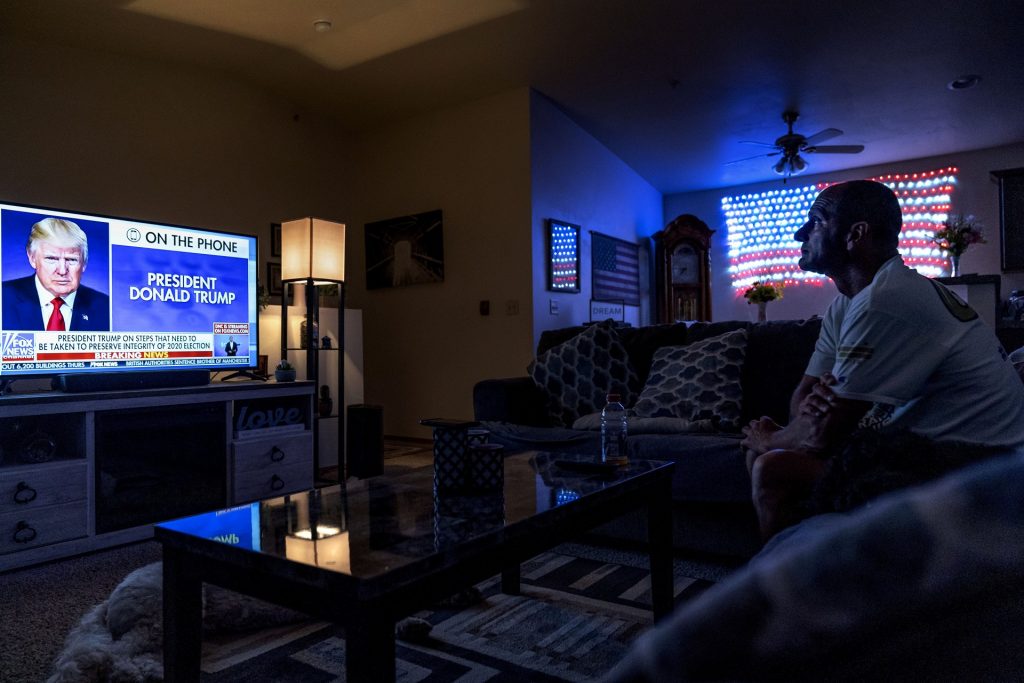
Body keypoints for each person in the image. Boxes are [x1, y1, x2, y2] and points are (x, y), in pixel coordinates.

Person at [740, 180, 1024, 541]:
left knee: (772, 466)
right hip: (922, 448)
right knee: (764, 458)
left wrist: (772, 438)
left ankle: (795, 574)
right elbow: (804, 397)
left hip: (981, 460)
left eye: (816, 222)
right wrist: (804, 421)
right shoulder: (846, 305)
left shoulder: (888, 299)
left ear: (855, 235)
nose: (801, 234)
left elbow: (822, 436)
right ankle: (818, 556)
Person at [2, 217, 110, 331]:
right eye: (51, 258)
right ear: (32, 258)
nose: (62, 271)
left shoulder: (105, 307)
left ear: (84, 263)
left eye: (71, 260)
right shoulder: (4, 297)